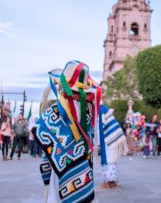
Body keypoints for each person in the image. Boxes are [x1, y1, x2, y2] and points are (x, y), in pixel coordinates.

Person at [33, 60, 125, 202]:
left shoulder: (57, 111)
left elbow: (40, 131)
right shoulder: (89, 110)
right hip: (83, 169)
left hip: (61, 172)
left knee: (56, 196)